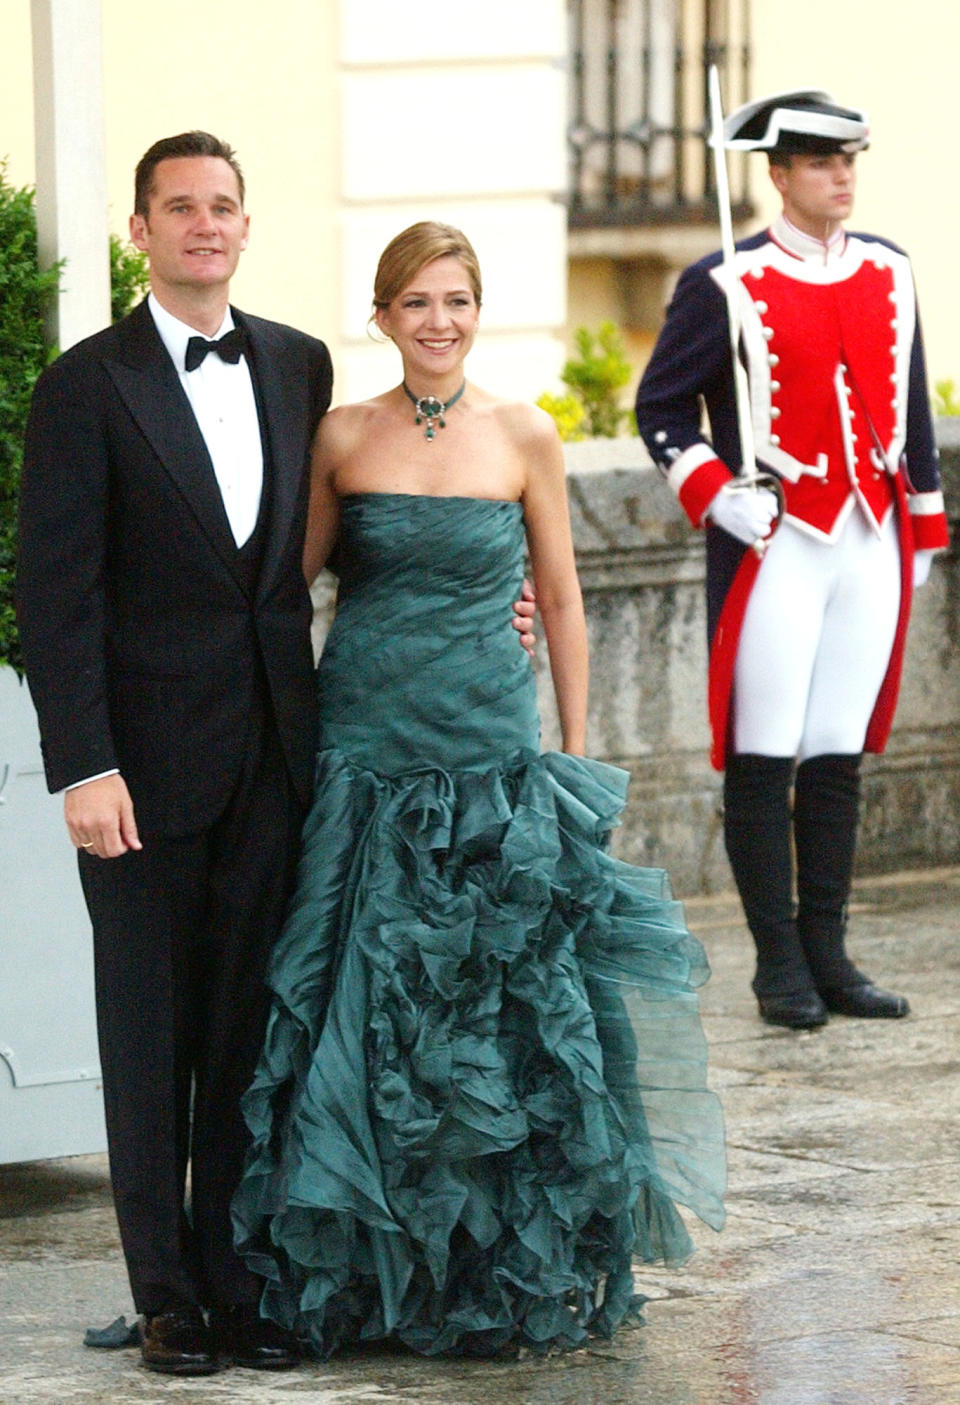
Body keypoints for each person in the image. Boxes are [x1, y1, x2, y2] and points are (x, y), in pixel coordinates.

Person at [15, 134, 534, 1377]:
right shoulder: (85, 386)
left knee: (252, 1030)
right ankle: (167, 1298)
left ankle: (237, 1280)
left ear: (247, 227)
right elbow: (56, 591)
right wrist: (84, 767)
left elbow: (352, 540)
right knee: (147, 1033)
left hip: (279, 762)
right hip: (135, 775)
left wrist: (491, 599)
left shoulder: (299, 365)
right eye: (180, 208)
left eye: (224, 207)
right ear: (141, 229)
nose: (205, 225)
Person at [231, 221, 726, 1360]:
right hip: (365, 743)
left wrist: (572, 748)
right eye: (416, 303)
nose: (438, 321)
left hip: (493, 750)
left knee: (500, 1017)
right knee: (362, 1001)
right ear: (384, 316)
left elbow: (558, 598)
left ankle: (484, 1273)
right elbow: (288, 588)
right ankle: (364, 1271)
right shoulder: (342, 435)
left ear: (477, 308)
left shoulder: (526, 434)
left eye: (455, 300)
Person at [635, 91, 949, 1031]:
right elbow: (661, 409)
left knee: (838, 754)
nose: (841, 176)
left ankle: (831, 952)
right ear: (778, 175)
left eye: (849, 159)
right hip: (778, 546)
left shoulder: (892, 271)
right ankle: (779, 964)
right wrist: (714, 489)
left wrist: (924, 527)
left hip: (870, 540)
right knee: (764, 754)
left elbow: (915, 413)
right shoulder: (724, 280)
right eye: (819, 162)